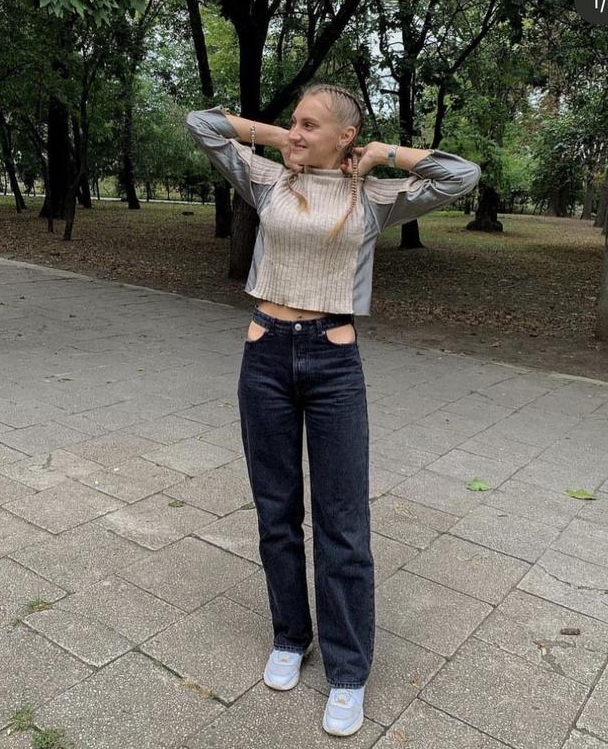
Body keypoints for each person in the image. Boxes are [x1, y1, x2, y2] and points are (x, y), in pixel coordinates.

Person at [185, 83, 480, 736]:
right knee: (275, 512)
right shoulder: (265, 178)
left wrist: (384, 153)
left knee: (343, 523)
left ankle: (347, 672)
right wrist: (276, 138)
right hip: (264, 358)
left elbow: (461, 175)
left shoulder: (370, 197)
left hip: (333, 365)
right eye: (293, 121)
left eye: (309, 124)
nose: (295, 131)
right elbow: (201, 123)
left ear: (345, 135)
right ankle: (291, 637)